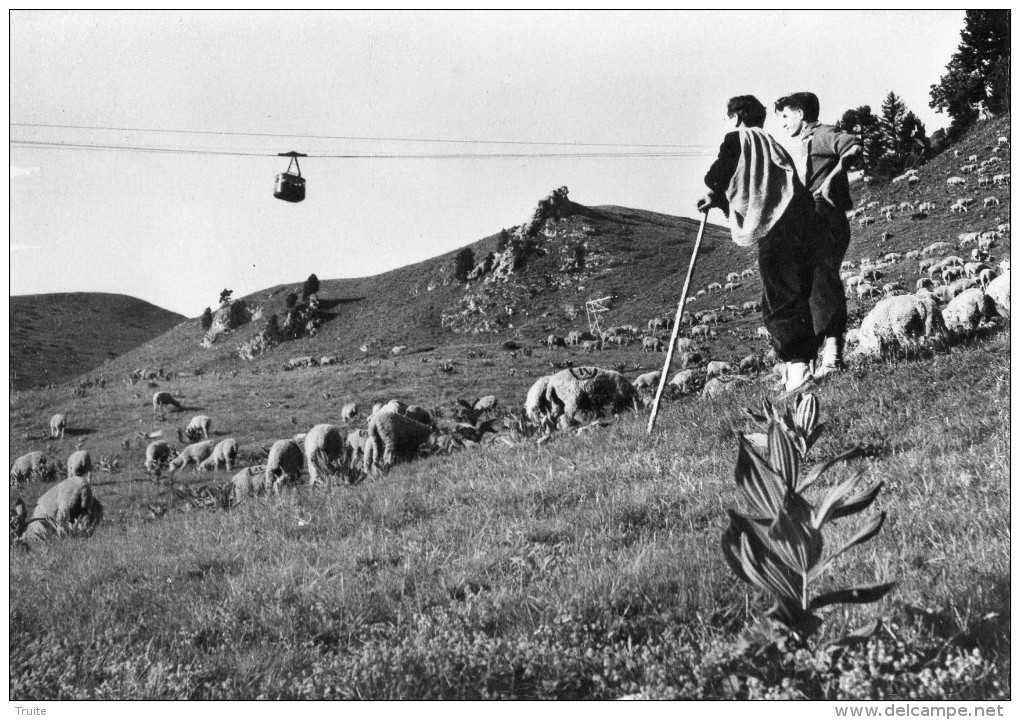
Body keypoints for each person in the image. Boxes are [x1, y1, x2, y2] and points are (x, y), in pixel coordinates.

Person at [697, 95, 819, 394]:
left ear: (736, 117)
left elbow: (719, 174)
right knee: (795, 288)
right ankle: (800, 367)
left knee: (779, 293)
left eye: (729, 118)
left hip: (777, 225)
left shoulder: (737, 138)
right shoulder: (772, 143)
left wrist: (713, 193)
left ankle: (799, 370)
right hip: (799, 216)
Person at [774, 92, 862, 378]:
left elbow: (853, 148)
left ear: (800, 113)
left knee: (824, 283)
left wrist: (832, 178)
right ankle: (817, 360)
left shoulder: (823, 134)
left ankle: (833, 359)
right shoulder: (804, 142)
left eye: (785, 116)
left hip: (826, 216)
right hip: (812, 219)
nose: (783, 124)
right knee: (812, 287)